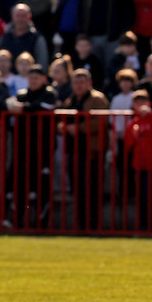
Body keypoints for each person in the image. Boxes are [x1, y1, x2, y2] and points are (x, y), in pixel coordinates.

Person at [56, 69, 109, 231]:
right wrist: (62, 127)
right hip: (74, 151)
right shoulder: (71, 100)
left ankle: (92, 225)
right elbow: (63, 120)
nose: (78, 86)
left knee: (91, 189)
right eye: (75, 83)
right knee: (77, 189)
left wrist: (77, 128)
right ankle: (81, 225)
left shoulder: (97, 99)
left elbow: (100, 122)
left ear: (89, 83)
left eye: (81, 82)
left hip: (91, 151)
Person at [5, 64, 57, 228]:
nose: (33, 81)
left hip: (42, 148)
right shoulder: (21, 94)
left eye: (36, 78)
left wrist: (24, 108)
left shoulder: (49, 94)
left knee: (42, 184)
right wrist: (14, 105)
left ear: (44, 79)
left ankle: (42, 222)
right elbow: (11, 105)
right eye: (31, 78)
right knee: (19, 183)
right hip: (22, 147)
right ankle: (16, 219)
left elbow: (45, 106)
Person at [124, 90, 152, 231]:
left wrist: (151, 116)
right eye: (137, 102)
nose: (140, 106)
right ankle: (143, 225)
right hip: (139, 166)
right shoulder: (133, 123)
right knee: (142, 196)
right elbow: (128, 144)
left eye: (143, 102)